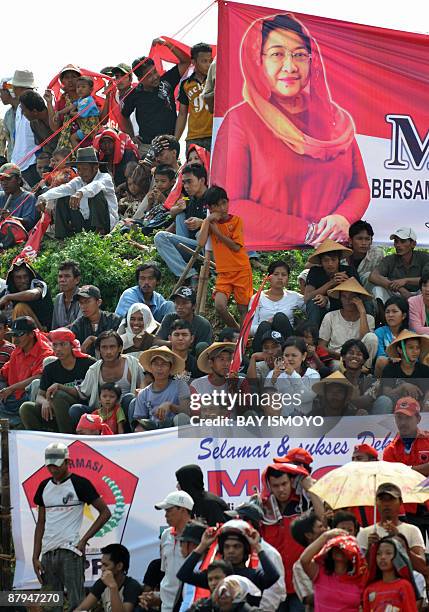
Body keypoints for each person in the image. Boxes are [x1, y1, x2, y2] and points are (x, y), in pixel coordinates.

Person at [210, 12, 370, 247]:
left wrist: (342, 218)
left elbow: (359, 187)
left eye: (299, 55)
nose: (290, 66)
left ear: (311, 60)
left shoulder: (334, 121)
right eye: (277, 54)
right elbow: (230, 204)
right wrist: (308, 232)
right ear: (258, 60)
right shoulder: (240, 122)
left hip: (334, 253)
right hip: (269, 256)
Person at [33, 442, 111, 612]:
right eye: (50, 466)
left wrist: (84, 540)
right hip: (48, 554)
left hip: (71, 552)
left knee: (78, 604)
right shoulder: (44, 486)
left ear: (68, 462)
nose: (53, 469)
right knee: (50, 606)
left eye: (57, 465)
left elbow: (105, 512)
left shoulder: (80, 483)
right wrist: (35, 556)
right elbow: (40, 523)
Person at [258, 462, 323, 611]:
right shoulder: (262, 508)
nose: (281, 489)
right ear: (269, 486)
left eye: (284, 483)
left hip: (301, 585)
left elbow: (322, 521)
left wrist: (311, 488)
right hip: (274, 586)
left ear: (292, 482)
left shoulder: (304, 503)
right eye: (275, 486)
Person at [177, 521, 280, 605]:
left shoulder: (254, 576)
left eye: (237, 546)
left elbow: (273, 576)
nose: (231, 551)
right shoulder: (215, 575)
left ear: (245, 551)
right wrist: (203, 545)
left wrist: (256, 546)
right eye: (227, 547)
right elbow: (183, 574)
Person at [19, 327, 95, 433]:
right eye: (55, 345)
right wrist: (45, 402)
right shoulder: (50, 368)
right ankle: (39, 441)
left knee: (58, 394)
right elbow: (40, 395)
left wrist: (59, 387)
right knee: (26, 408)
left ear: (71, 345)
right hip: (55, 411)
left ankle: (66, 437)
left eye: (63, 344)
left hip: (81, 411)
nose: (58, 349)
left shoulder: (88, 363)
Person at [198, 186, 253, 330]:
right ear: (210, 208)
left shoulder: (236, 221)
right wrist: (207, 221)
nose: (222, 208)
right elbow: (201, 243)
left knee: (243, 309)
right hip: (224, 273)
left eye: (224, 203)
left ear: (228, 202)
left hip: (241, 269)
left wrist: (217, 233)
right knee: (220, 305)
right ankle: (237, 330)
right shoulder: (210, 223)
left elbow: (235, 246)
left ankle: (243, 341)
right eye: (216, 205)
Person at [122, 40, 191, 153]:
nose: (155, 77)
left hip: (169, 145)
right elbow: (124, 115)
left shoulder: (167, 81)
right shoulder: (134, 94)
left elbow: (186, 61)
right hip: (146, 147)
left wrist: (168, 44)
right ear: (140, 80)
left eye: (155, 72)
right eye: (149, 76)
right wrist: (132, 136)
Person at [38, 146, 119, 238]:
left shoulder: (105, 177)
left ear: (95, 168)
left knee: (97, 193)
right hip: (85, 223)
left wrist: (80, 192)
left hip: (106, 222)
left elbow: (96, 186)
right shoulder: (78, 180)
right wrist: (43, 198)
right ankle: (61, 237)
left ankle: (100, 233)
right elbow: (62, 189)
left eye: (85, 169)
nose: (81, 173)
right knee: (62, 196)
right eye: (79, 169)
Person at [70, 330, 144, 428]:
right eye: (104, 347)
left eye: (112, 347)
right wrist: (59, 387)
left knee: (129, 398)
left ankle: (130, 434)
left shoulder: (132, 364)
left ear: (120, 348)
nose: (108, 352)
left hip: (126, 412)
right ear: (99, 350)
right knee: (75, 409)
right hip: (101, 413)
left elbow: (144, 386)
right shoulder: (94, 369)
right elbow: (82, 392)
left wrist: (140, 391)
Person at [225, 503, 287, 612]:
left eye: (237, 519)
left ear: (248, 524)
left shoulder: (269, 553)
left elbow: (275, 591)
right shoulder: (231, 549)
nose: (232, 524)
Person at [383, 397, 429, 540]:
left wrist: (407, 471)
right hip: (408, 513)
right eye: (399, 417)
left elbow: (403, 476)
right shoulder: (389, 451)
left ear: (418, 418)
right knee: (414, 557)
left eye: (407, 418)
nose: (402, 422)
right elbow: (396, 480)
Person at [140, 490, 194, 612]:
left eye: (169, 510)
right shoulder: (165, 534)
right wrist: (158, 596)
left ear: (183, 510)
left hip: (190, 604)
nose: (166, 515)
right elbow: (167, 574)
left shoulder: (199, 535)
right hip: (166, 606)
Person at [154, 165, 208, 284]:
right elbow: (172, 211)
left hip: (207, 247)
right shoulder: (189, 199)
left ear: (202, 180)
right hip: (190, 245)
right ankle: (190, 274)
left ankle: (191, 273)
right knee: (180, 216)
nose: (186, 186)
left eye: (189, 181)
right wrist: (179, 208)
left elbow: (223, 224)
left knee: (161, 236)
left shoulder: (212, 197)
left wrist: (202, 223)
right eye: (184, 183)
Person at [0, 316, 54, 426]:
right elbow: (3, 372)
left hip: (32, 398)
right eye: (14, 335)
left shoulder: (46, 352)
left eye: (19, 334)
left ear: (31, 334)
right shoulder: (17, 351)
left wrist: (11, 388)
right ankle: (15, 421)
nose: (15, 339)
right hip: (15, 397)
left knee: (36, 384)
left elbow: (40, 377)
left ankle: (29, 422)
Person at [300, 530, 368, 611]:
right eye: (336, 547)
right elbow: (304, 560)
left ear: (353, 555)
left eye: (344, 548)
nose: (339, 550)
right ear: (330, 551)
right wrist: (325, 536)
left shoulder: (359, 578)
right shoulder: (320, 573)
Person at [319, 278, 377, 368]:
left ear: (359, 299)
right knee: (337, 366)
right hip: (338, 359)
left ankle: (365, 370)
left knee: (372, 337)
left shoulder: (369, 318)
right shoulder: (330, 316)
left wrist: (362, 312)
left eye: (352, 297)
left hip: (360, 360)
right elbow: (321, 346)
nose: (347, 301)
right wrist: (343, 357)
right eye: (344, 297)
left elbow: (366, 341)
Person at [356, 483, 425, 558]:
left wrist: (401, 542)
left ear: (400, 502)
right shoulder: (365, 533)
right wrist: (370, 549)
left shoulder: (412, 531)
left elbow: (422, 566)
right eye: (382, 499)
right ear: (376, 502)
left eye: (391, 499)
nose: (386, 504)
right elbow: (359, 566)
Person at [131, 346, 190, 430]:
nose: (159, 368)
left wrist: (170, 406)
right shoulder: (143, 393)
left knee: (181, 418)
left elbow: (187, 411)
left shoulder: (180, 385)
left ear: (170, 368)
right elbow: (140, 420)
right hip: (154, 432)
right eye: (156, 364)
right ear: (151, 368)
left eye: (164, 364)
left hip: (175, 430)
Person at [250, 260, 304, 352]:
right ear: (269, 277)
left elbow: (310, 306)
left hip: (286, 339)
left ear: (288, 278)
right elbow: (250, 329)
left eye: (283, 275)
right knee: (264, 325)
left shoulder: (294, 297)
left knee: (279, 318)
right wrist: (268, 323)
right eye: (276, 274)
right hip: (264, 338)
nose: (280, 278)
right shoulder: (257, 298)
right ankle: (261, 359)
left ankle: (288, 353)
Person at [304, 239, 357, 327]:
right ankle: (313, 337)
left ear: (339, 260)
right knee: (313, 303)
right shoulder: (314, 272)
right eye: (326, 260)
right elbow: (307, 297)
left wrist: (348, 282)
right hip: (322, 311)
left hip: (345, 307)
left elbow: (360, 296)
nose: (330, 264)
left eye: (333, 260)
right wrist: (331, 283)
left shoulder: (349, 270)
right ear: (321, 262)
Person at [369, 227, 429, 304]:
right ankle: (383, 316)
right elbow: (373, 276)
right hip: (396, 294)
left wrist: (406, 280)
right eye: (396, 241)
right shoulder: (390, 259)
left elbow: (427, 279)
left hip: (419, 293)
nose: (398, 245)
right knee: (377, 290)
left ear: (413, 244)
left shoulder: (424, 257)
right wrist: (401, 289)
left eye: (403, 241)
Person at [74, 543, 142, 611]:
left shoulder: (132, 586)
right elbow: (82, 608)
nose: (102, 569)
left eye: (106, 565)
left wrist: (113, 587)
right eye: (102, 564)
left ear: (119, 566)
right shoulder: (102, 582)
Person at [265, 336, 320, 415]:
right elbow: (266, 400)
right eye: (286, 355)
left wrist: (292, 374)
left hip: (304, 422)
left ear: (304, 356)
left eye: (294, 355)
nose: (290, 359)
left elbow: (305, 398)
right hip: (281, 422)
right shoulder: (274, 373)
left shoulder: (313, 375)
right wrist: (272, 381)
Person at [175, 43, 213, 151]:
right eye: (204, 61)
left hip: (215, 134)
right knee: (194, 168)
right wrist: (175, 140)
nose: (208, 65)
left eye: (210, 61)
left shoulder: (218, 79)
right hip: (193, 137)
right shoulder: (185, 84)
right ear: (194, 62)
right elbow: (182, 114)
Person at [362, 537, 418, 612]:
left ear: (397, 557)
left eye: (388, 553)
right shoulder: (369, 589)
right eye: (378, 554)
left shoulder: (404, 586)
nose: (382, 557)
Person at [379, 331, 429, 412]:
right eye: (411, 347)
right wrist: (402, 387)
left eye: (418, 347)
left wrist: (426, 404)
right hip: (394, 413)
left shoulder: (425, 370)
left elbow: (428, 393)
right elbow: (386, 394)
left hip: (419, 413)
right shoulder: (390, 369)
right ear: (400, 350)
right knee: (384, 400)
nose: (415, 351)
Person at [0, 260, 54, 331]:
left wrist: (8, 297)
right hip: (19, 331)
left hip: (43, 331)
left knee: (20, 308)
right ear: (13, 279)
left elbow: (34, 294)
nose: (23, 280)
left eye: (25, 276)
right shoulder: (9, 290)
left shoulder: (38, 284)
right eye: (18, 277)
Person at [156, 286, 213, 351]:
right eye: (177, 303)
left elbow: (205, 349)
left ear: (194, 306)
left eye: (184, 303)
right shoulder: (169, 318)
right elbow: (156, 341)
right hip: (170, 357)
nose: (180, 307)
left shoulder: (203, 324)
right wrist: (174, 343)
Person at [70, 285, 121, 356]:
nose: (83, 306)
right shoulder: (77, 325)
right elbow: (73, 352)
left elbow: (118, 346)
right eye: (81, 303)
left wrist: (93, 339)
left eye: (87, 301)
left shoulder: (114, 320)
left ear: (99, 302)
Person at [290, 511, 327, 611]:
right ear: (309, 535)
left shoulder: (335, 554)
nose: (325, 530)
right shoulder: (299, 567)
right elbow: (307, 598)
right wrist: (335, 592)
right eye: (320, 527)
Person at [10, 70, 39, 186]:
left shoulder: (36, 105)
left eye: (15, 87)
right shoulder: (19, 108)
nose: (13, 90)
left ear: (20, 88)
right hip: (19, 163)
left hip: (32, 162)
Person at [45, 64, 81, 150]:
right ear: (62, 81)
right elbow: (55, 128)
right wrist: (49, 103)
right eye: (66, 77)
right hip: (66, 148)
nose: (70, 80)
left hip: (88, 145)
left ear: (79, 80)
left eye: (74, 77)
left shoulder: (88, 98)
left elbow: (102, 120)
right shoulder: (61, 102)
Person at [57, 75, 99, 148]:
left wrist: (72, 113)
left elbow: (81, 114)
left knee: (75, 138)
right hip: (85, 129)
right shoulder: (80, 100)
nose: (80, 89)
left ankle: (81, 154)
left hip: (91, 129)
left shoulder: (88, 100)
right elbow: (70, 107)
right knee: (73, 138)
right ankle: (79, 154)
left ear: (91, 90)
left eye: (83, 87)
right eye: (78, 87)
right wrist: (59, 112)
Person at [374, 296, 409, 378]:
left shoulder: (410, 334)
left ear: (403, 315)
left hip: (406, 370)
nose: (390, 315)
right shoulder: (379, 332)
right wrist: (391, 359)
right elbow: (380, 355)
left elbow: (414, 358)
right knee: (381, 360)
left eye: (394, 311)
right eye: (387, 312)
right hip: (386, 370)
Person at [346, 220, 384, 294]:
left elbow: (381, 278)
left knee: (369, 276)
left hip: (370, 295)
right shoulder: (342, 256)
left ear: (371, 241)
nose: (364, 243)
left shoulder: (377, 254)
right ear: (350, 240)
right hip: (347, 294)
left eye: (367, 239)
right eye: (359, 239)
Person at [19, 90, 59, 156]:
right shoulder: (33, 124)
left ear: (35, 111)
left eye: (24, 111)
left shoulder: (56, 114)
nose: (23, 114)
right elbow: (42, 145)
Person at [0, 162, 37, 229]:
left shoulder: (28, 197)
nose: (4, 183)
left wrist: (11, 218)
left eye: (8, 179)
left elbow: (30, 222)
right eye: (1, 179)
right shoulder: (0, 195)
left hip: (19, 237)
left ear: (19, 180)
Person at [51, 260, 82, 329]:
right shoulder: (58, 298)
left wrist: (58, 332)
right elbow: (54, 326)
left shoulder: (83, 297)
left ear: (77, 280)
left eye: (67, 276)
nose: (62, 280)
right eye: (60, 276)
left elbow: (79, 326)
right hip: (59, 338)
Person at [0, 77, 18, 161]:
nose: (0, 95)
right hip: (13, 160)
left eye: (1, 92)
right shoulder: (8, 115)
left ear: (9, 91)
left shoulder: (26, 112)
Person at [408, 270, 429, 335]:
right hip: (419, 340)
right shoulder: (413, 302)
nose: (427, 289)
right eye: (424, 286)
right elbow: (416, 330)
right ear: (420, 288)